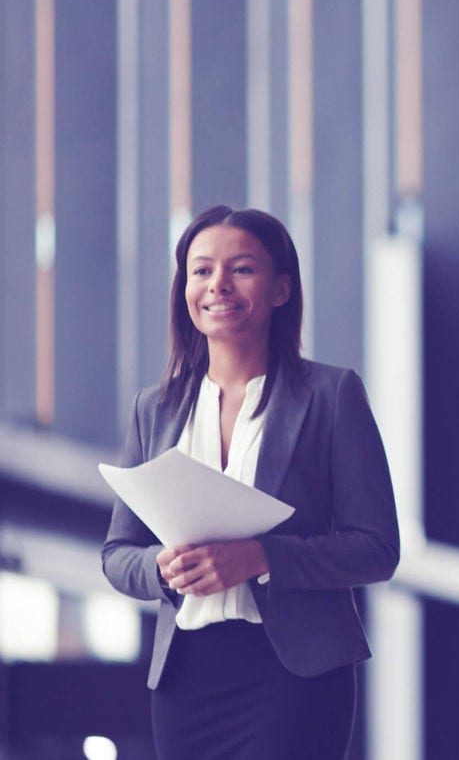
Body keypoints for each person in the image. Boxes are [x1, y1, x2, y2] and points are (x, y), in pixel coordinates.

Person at [101, 206, 399, 759]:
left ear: (281, 289)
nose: (217, 285)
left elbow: (378, 549)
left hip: (293, 675)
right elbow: (118, 552)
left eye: (240, 269)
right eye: (201, 270)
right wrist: (159, 569)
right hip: (185, 678)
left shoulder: (331, 397)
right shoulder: (155, 408)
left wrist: (262, 557)